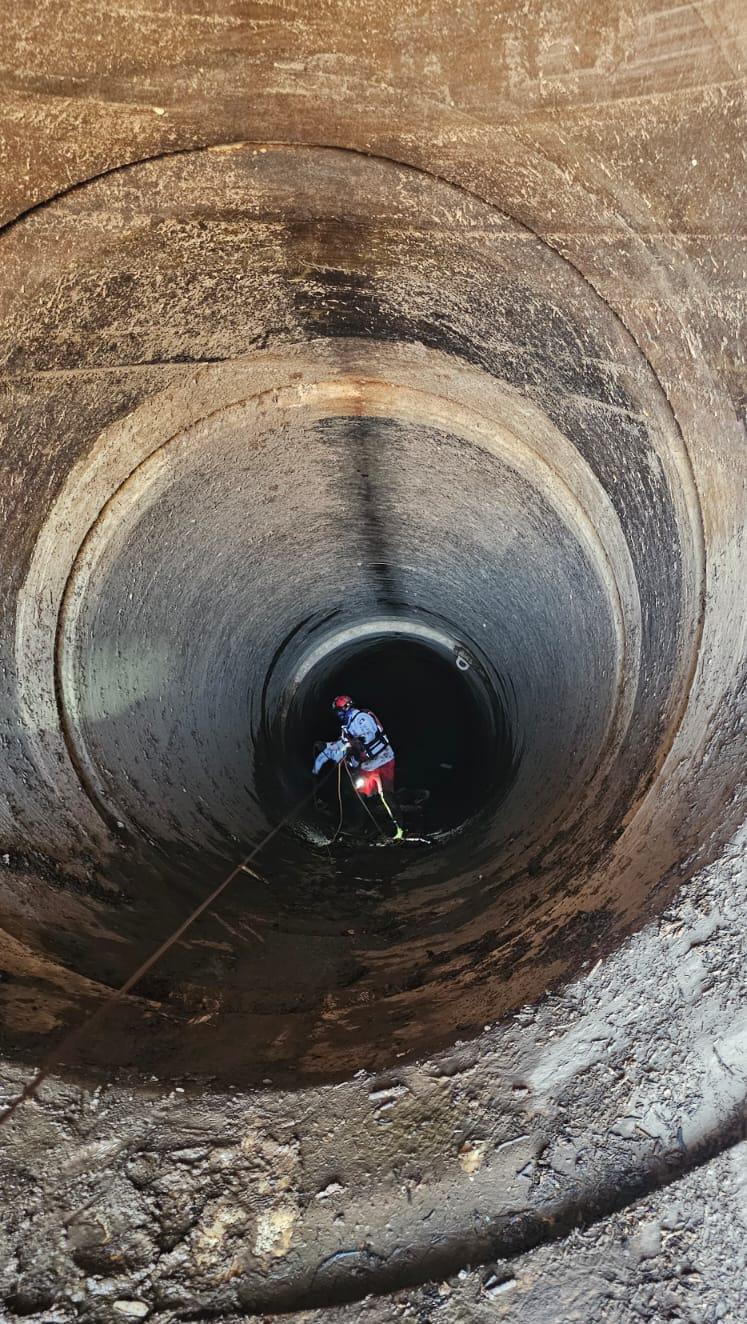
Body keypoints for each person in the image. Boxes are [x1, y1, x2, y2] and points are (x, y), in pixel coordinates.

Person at [312, 695, 404, 840]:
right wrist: (326, 746)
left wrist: (351, 745)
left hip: (383, 759)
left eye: (340, 711)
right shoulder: (346, 727)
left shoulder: (362, 718)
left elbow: (368, 736)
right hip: (368, 765)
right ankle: (360, 827)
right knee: (359, 793)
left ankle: (400, 829)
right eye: (337, 712)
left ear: (347, 708)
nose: (338, 715)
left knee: (386, 795)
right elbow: (342, 743)